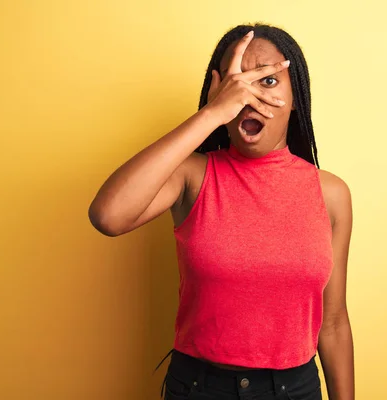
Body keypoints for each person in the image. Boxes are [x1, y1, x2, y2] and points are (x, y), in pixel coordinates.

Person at [89, 23, 354, 400]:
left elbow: (333, 323)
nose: (248, 94)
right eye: (236, 80)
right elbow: (108, 215)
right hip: (199, 388)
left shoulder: (331, 194)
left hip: (295, 390)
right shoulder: (191, 175)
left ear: (296, 96)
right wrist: (212, 114)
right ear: (217, 91)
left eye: (266, 81)